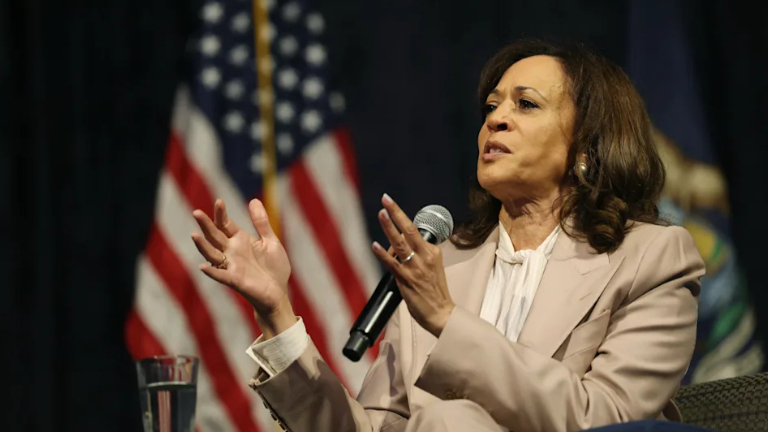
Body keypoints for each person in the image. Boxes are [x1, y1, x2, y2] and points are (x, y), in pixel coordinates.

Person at [190, 38, 705, 432]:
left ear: (587, 147)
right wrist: (278, 314)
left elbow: (609, 417)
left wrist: (447, 320)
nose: (496, 120)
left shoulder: (651, 258)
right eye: (491, 107)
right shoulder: (444, 267)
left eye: (525, 105)